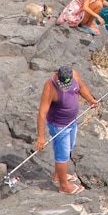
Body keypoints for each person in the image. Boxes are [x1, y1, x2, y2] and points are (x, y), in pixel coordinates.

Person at [35, 65, 99, 194]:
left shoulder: (74, 74)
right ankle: (64, 186)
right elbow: (42, 113)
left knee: (69, 148)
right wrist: (41, 137)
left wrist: (90, 100)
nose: (65, 87)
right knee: (62, 155)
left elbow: (81, 87)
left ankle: (58, 175)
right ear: (57, 74)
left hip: (72, 122)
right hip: (59, 126)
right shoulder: (50, 87)